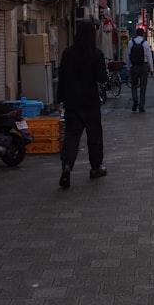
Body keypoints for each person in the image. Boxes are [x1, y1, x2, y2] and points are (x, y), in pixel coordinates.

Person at [56, 20, 107, 188]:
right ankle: (95, 168)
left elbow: (61, 78)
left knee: (71, 136)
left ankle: (67, 166)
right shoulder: (96, 54)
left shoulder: (67, 53)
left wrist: (59, 100)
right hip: (90, 102)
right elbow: (102, 78)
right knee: (94, 137)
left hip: (71, 102)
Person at [125, 27, 154, 113]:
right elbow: (149, 57)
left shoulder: (130, 43)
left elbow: (128, 56)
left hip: (134, 66)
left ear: (136, 33)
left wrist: (128, 68)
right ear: (143, 34)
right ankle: (141, 106)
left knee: (134, 85)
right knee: (143, 86)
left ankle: (135, 101)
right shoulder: (146, 44)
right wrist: (151, 69)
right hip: (143, 66)